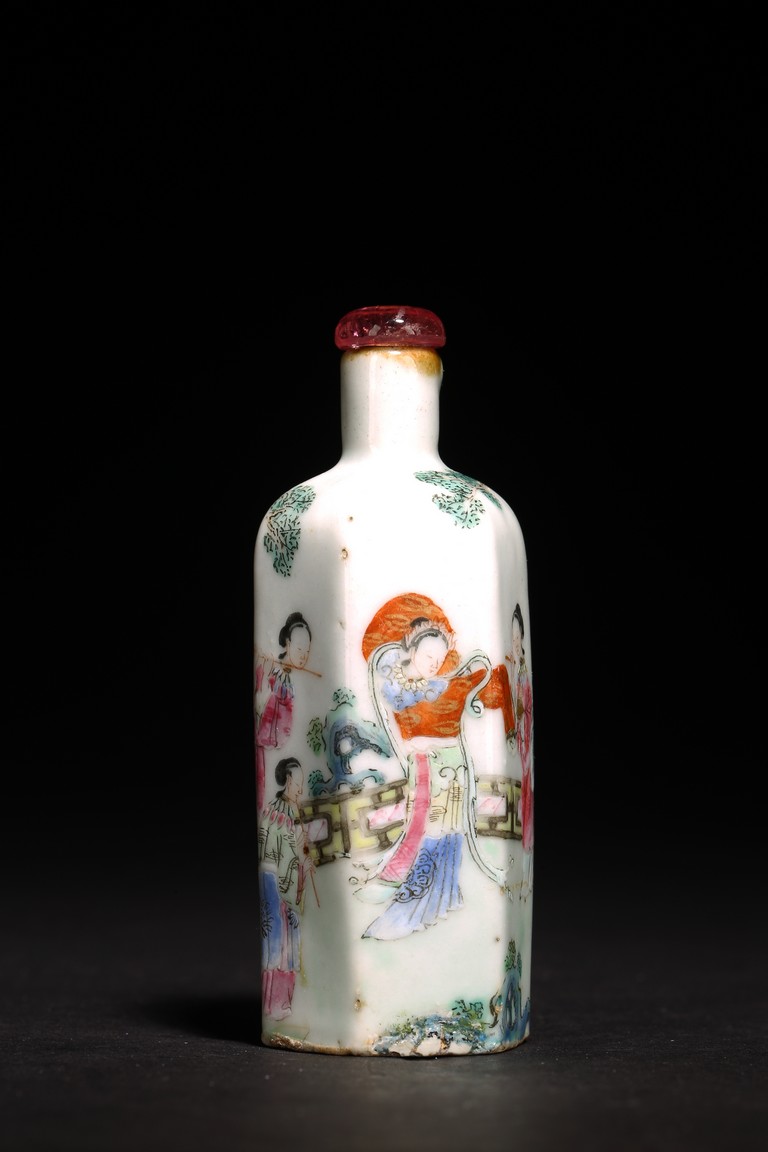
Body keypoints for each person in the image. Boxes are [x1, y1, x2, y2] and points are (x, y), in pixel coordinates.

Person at [356, 592, 516, 940]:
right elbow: (397, 708)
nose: (434, 663)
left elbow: (479, 677)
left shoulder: (442, 685)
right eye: (429, 656)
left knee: (443, 828)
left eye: (440, 658)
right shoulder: (400, 685)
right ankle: (401, 883)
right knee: (421, 822)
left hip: (450, 766)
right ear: (411, 650)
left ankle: (433, 895)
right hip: (427, 764)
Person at [258, 756, 315, 1020]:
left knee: (290, 948)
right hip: (275, 886)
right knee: (277, 946)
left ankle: (286, 1003)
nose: (301, 790)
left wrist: (305, 861)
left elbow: (299, 852)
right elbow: (274, 855)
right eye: (298, 783)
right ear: (288, 780)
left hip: (289, 887)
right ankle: (274, 1005)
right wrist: (299, 861)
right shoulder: (274, 814)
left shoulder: (294, 812)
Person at [253, 612, 312, 810]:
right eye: (299, 648)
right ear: (287, 643)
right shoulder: (270, 668)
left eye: (307, 650)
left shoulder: (288, 677)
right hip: (266, 744)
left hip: (279, 744)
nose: (303, 655)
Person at [507, 603, 534, 895]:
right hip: (521, 744)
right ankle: (521, 880)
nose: (515, 642)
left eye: (518, 638)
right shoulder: (515, 668)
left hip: (524, 745)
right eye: (512, 637)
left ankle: (522, 880)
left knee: (524, 803)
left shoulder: (522, 671)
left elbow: (524, 709)